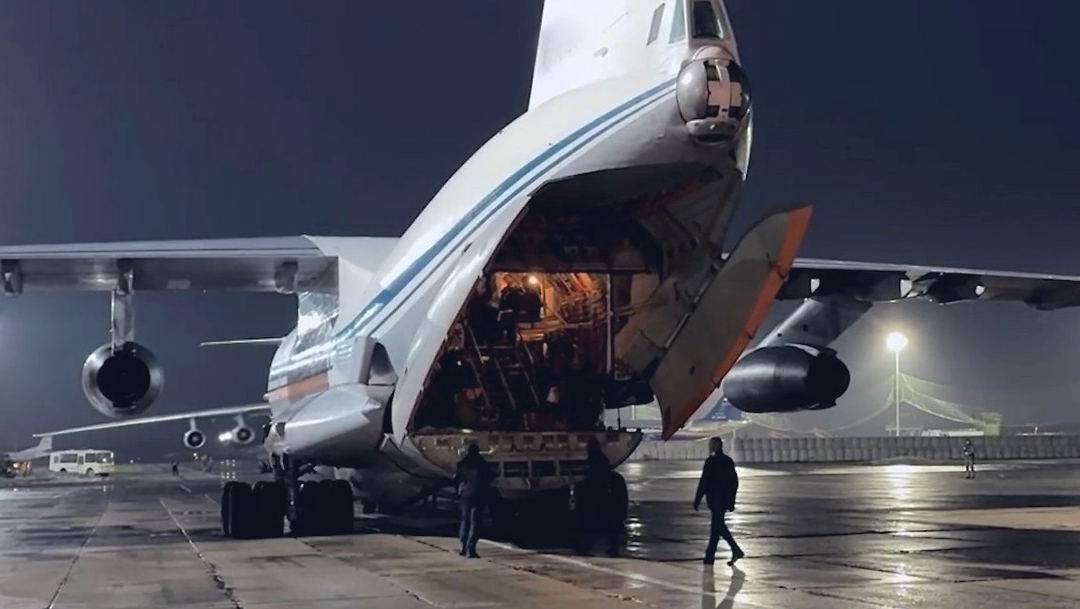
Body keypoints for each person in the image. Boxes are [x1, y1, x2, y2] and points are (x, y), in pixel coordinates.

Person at [694, 437, 744, 567]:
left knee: (717, 528)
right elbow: (734, 482)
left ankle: (711, 557)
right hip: (723, 499)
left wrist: (697, 499)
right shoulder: (728, 461)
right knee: (718, 527)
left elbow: (704, 481)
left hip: (714, 499)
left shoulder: (711, 462)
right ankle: (730, 551)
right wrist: (731, 500)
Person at [575, 437, 621, 556]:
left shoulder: (593, 460)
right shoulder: (602, 459)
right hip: (602, 494)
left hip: (597, 494)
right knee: (606, 523)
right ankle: (612, 547)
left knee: (591, 522)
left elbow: (591, 478)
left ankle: (587, 547)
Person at [454, 442, 492, 558]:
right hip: (478, 495)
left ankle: (463, 546)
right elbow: (488, 479)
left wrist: (458, 492)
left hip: (465, 495)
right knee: (475, 522)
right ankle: (471, 548)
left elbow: (457, 479)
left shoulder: (462, 464)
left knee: (464, 521)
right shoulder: (483, 464)